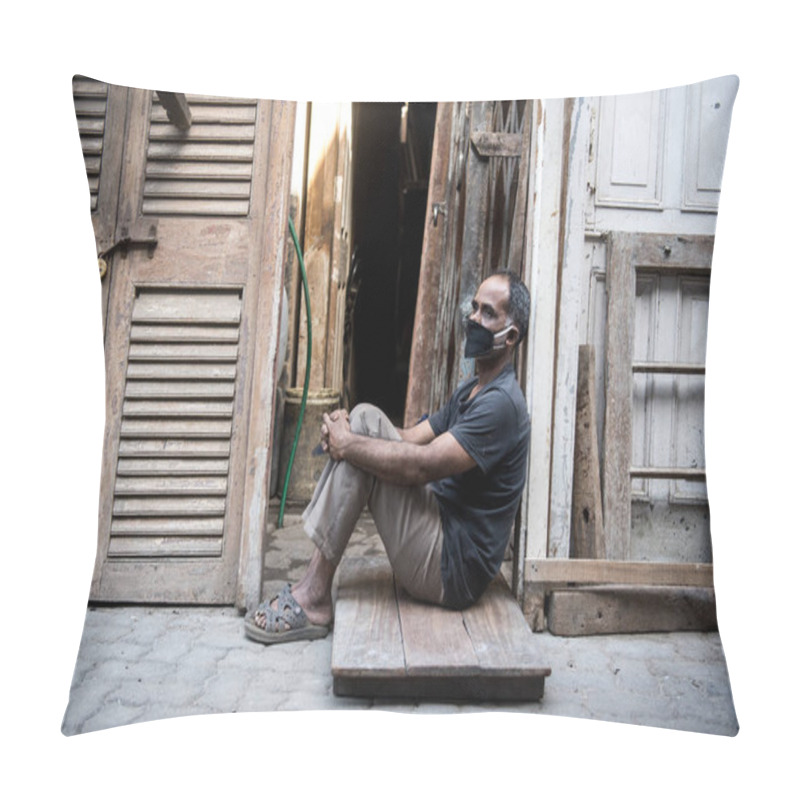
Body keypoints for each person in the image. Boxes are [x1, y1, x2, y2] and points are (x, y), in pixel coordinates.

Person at [244, 270, 531, 644]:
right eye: (474, 308)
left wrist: (350, 445)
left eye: (487, 313)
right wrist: (346, 429)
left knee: (361, 445)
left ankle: (314, 596)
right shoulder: (472, 391)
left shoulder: (502, 405)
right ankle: (313, 587)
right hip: (440, 527)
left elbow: (422, 464)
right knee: (363, 417)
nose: (474, 319)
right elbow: (410, 437)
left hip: (452, 568)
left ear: (510, 337)